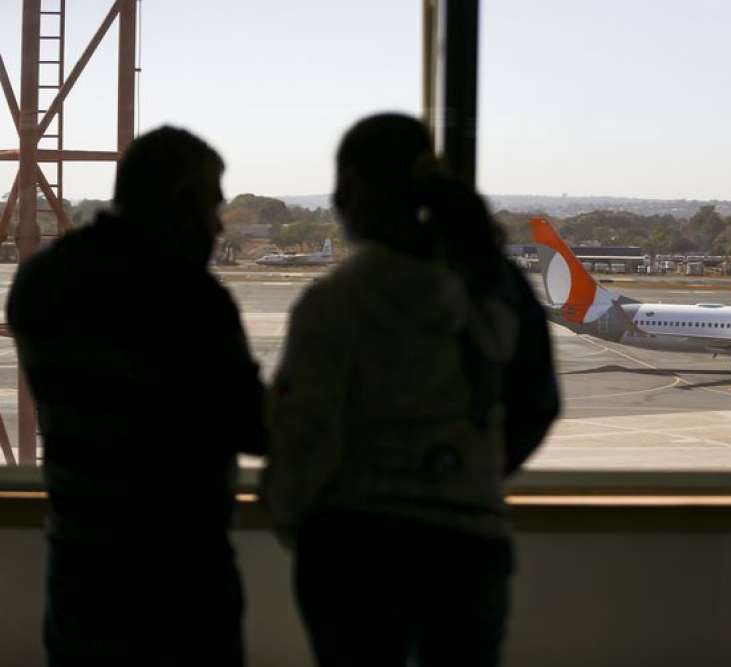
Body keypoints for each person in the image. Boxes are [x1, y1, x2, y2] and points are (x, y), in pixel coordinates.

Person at [262, 113, 559, 666]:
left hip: (355, 552)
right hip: (468, 549)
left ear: (351, 188)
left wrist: (298, 522)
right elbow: (537, 404)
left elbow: (304, 435)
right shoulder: (497, 286)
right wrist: (466, 477)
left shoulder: (335, 303)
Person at [6, 126, 266, 666]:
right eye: (211, 205)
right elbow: (254, 429)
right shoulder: (194, 299)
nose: (218, 225)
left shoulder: (40, 283)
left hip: (80, 562)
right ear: (179, 202)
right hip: (184, 573)